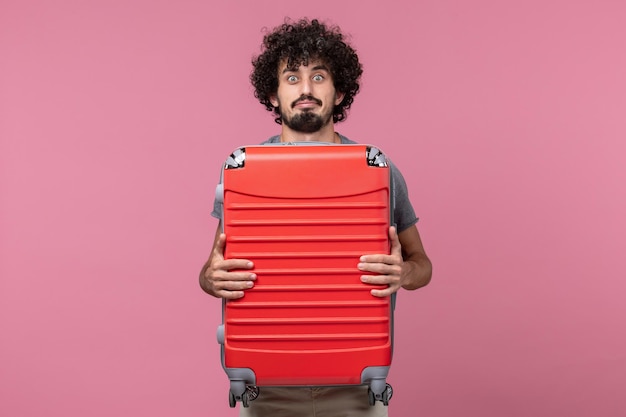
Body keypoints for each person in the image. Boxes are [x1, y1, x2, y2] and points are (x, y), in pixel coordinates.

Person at [199, 18, 432, 417]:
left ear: (339, 91)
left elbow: (422, 265)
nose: (305, 89)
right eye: (292, 77)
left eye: (318, 76)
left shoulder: (377, 168)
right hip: (266, 389)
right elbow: (211, 270)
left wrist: (404, 274)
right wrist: (210, 277)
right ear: (273, 95)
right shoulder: (244, 169)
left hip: (357, 389)